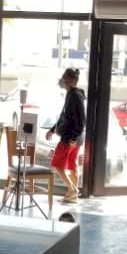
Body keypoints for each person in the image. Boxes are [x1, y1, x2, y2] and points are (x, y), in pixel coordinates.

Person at [45, 67, 86, 204]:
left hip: (70, 137)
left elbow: (82, 120)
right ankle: (72, 195)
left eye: (65, 78)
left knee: (57, 164)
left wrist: (73, 138)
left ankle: (72, 189)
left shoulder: (74, 96)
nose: (63, 80)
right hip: (76, 138)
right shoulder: (73, 94)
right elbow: (64, 116)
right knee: (72, 165)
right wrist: (53, 129)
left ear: (72, 81)